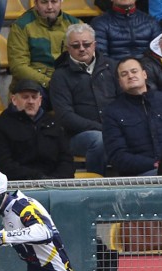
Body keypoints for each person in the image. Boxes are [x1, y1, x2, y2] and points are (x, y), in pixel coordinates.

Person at [50, 23, 119, 176]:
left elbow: (124, 102)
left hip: (115, 129)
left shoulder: (112, 67)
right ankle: (96, 185)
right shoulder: (60, 76)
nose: (82, 49)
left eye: (86, 44)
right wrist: (101, 128)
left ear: (95, 45)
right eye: (75, 46)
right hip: (76, 136)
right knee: (98, 140)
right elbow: (65, 116)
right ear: (68, 48)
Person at [0, 79, 76, 180]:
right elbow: (2, 164)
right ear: (14, 100)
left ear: (40, 100)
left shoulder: (54, 123)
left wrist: (57, 179)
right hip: (18, 185)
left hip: (55, 184)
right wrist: (37, 178)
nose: (30, 101)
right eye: (25, 97)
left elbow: (66, 159)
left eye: (34, 97)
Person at [102, 57, 162, 176]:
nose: (130, 76)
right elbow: (117, 156)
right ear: (119, 82)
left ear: (144, 74)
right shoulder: (112, 112)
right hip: (140, 175)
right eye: (124, 74)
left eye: (134, 71)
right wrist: (154, 164)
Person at [7, 0, 80, 99]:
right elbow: (18, 67)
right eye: (44, 2)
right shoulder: (20, 26)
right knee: (33, 93)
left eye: (54, 1)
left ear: (61, 2)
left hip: (65, 82)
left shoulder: (76, 25)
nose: (50, 7)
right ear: (35, 4)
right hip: (36, 84)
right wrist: (49, 82)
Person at [90, 0, 160, 61]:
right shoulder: (99, 23)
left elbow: (158, 54)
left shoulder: (150, 22)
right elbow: (101, 57)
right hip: (114, 72)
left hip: (146, 72)